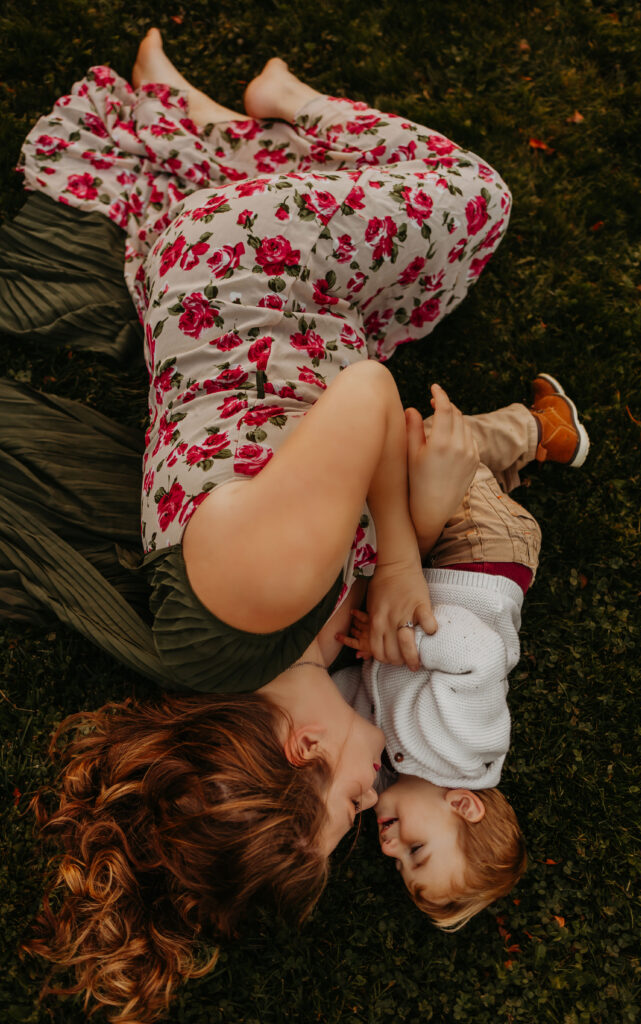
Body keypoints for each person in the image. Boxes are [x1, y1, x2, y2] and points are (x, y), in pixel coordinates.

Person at [18, 28, 516, 1024]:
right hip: (294, 332)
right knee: (421, 292)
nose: (374, 804)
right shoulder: (280, 648)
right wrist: (416, 500)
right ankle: (195, 118)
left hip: (242, 267)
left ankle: (281, 99)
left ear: (297, 754)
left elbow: (372, 395)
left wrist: (408, 551)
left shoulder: (257, 597)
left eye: (344, 813)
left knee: (472, 201)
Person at [334, 374, 589, 929]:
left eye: (401, 866)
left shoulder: (386, 776)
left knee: (427, 479)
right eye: (417, 851)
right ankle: (541, 428)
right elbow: (481, 654)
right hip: (481, 555)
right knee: (428, 446)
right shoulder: (470, 746)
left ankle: (516, 460)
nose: (390, 850)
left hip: (435, 563)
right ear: (464, 806)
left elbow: (353, 700)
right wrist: (409, 641)